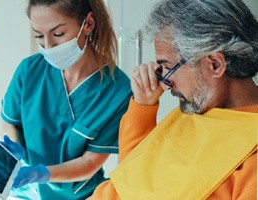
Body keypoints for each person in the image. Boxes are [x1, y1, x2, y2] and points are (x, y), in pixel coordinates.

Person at [88, 0, 258, 199]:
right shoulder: (198, 106)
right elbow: (131, 175)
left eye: (168, 68)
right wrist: (143, 106)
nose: (165, 83)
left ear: (215, 64)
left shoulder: (251, 162)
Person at [0, 0, 132, 199]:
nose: (48, 46)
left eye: (58, 34)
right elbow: (11, 123)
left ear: (88, 24)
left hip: (80, 195)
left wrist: (42, 173)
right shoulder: (29, 70)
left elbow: (89, 162)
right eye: (39, 36)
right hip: (25, 192)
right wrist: (14, 147)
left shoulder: (117, 90)